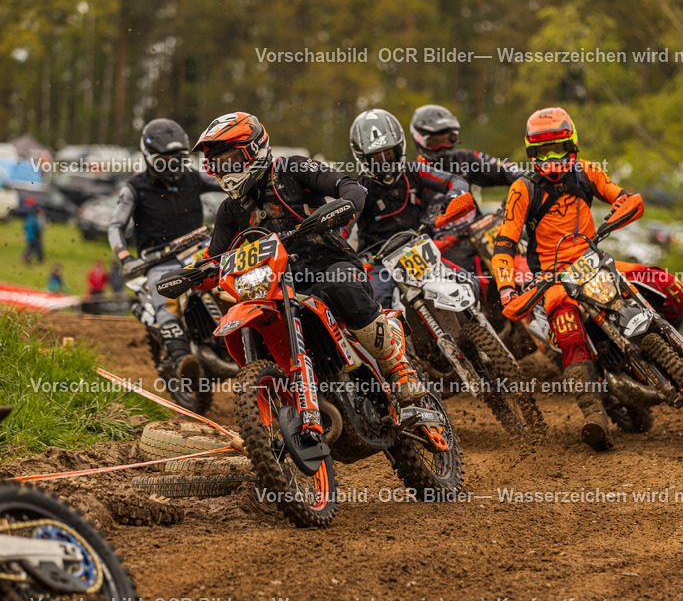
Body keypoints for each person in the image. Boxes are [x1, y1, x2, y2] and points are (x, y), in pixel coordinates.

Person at [161, 110, 426, 403]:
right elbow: (215, 259)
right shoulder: (229, 210)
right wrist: (188, 276)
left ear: (253, 150)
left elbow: (348, 185)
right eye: (216, 164)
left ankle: (398, 368)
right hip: (276, 288)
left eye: (230, 161)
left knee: (341, 287)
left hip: (330, 266)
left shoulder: (292, 170)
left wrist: (343, 203)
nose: (224, 170)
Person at [491, 105, 683, 451]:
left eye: (558, 149)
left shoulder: (587, 173)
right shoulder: (523, 189)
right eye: (542, 152)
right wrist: (506, 286)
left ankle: (675, 338)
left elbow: (622, 197)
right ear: (531, 152)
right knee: (568, 333)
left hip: (595, 260)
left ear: (572, 145)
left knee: (667, 282)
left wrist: (623, 209)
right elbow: (504, 243)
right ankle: (594, 415)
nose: (551, 159)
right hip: (552, 279)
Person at [108, 118, 209, 390]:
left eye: (178, 158)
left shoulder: (194, 177)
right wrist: (125, 257)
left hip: (202, 249)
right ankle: (181, 359)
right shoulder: (134, 188)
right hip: (159, 260)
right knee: (164, 294)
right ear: (149, 156)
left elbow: (232, 183)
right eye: (165, 159)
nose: (173, 165)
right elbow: (116, 225)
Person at [346, 108, 478, 307]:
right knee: (378, 301)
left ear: (399, 148)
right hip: (379, 262)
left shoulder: (415, 171)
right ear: (363, 159)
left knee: (470, 283)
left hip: (421, 252)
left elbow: (455, 181)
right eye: (376, 158)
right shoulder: (359, 189)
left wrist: (453, 199)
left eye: (388, 154)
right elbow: (342, 226)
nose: (384, 163)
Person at [409, 103, 520, 273]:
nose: (443, 147)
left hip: (481, 234)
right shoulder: (414, 176)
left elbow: (506, 171)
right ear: (420, 140)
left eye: (448, 139)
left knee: (521, 253)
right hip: (442, 250)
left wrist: (531, 181)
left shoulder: (465, 159)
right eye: (435, 142)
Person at [22, 198, 44, 264]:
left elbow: (25, 227)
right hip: (34, 236)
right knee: (36, 248)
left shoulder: (29, 217)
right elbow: (37, 228)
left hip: (29, 236)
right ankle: (29, 256)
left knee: (32, 247)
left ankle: (37, 259)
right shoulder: (35, 218)